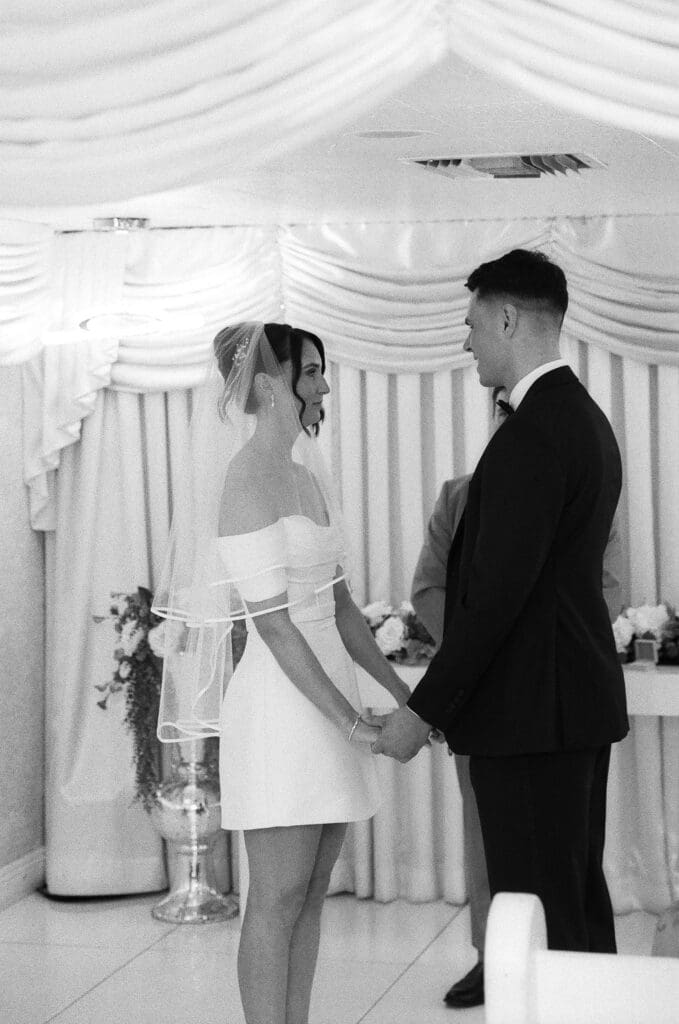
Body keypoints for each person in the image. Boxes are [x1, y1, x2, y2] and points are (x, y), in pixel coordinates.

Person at [153, 321, 411, 1024]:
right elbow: (273, 625)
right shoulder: (244, 480)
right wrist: (354, 725)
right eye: (311, 372)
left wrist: (404, 697)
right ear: (268, 386)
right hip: (281, 710)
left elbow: (342, 608)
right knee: (275, 896)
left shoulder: (305, 475)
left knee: (312, 889)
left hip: (331, 694)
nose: (324, 386)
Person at [372, 249, 629, 956]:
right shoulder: (582, 418)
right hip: (563, 709)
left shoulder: (533, 433)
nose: (467, 342)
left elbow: (493, 601)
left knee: (538, 923)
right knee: (571, 905)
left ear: (509, 319)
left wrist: (421, 712)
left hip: (530, 719)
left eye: (472, 324)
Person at [411, 387, 624, 1008]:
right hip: (479, 695)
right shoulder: (458, 494)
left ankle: (564, 988)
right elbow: (430, 587)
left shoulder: (575, 469)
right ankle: (495, 956)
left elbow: (603, 588)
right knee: (487, 838)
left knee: (561, 865)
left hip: (548, 694)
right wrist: (472, 659)